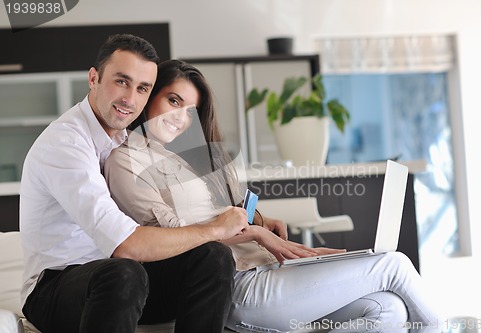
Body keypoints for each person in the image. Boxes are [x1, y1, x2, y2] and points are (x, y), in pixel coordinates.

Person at [104, 59, 443, 333]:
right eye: (173, 100)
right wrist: (257, 233)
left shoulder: (192, 157)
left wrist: (263, 225)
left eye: (190, 110)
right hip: (239, 285)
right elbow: (176, 239)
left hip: (270, 270)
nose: (180, 117)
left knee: (387, 309)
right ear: (150, 96)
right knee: (393, 265)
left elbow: (230, 213)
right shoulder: (127, 160)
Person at [20, 34, 248, 333]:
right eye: (121, 81)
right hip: (56, 287)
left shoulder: (127, 138)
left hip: (124, 283)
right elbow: (124, 244)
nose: (130, 99)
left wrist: (249, 221)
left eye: (142, 88)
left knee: (212, 256)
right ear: (94, 78)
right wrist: (215, 228)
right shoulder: (66, 142)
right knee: (124, 271)